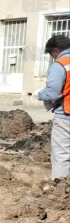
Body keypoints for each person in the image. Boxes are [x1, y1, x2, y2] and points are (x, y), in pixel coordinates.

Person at [34, 35, 70, 181]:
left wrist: (39, 95)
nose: (53, 58)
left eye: (51, 55)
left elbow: (52, 93)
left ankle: (61, 190)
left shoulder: (60, 65)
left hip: (66, 115)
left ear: (55, 50)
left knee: (62, 153)